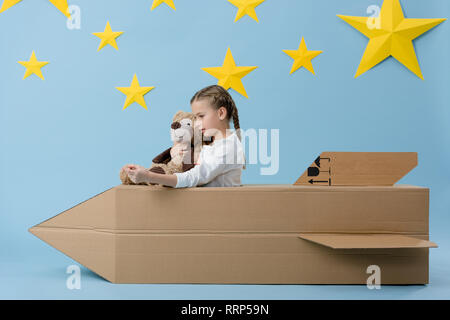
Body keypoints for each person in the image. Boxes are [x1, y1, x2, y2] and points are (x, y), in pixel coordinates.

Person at [123, 85, 246, 188]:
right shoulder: (212, 145)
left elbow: (195, 177)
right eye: (195, 117)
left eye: (201, 116)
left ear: (221, 113)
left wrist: (149, 176)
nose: (196, 124)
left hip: (219, 211)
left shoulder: (228, 147)